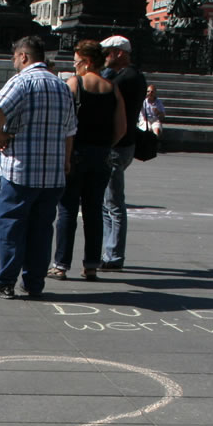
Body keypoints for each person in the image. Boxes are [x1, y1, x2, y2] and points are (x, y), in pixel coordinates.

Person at [0, 34, 75, 299]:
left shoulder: (21, 82)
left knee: (13, 227)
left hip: (19, 170)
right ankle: (35, 282)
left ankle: (5, 282)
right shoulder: (61, 86)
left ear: (24, 56)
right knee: (41, 230)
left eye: (15, 57)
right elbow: (70, 130)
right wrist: (66, 161)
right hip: (52, 174)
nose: (14, 62)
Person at [48, 39, 124, 283]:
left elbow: (63, 122)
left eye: (77, 61)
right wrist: (105, 144)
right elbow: (122, 127)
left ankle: (61, 265)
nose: (75, 65)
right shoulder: (112, 88)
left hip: (75, 153)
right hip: (101, 156)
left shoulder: (74, 84)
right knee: (93, 211)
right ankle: (91, 265)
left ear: (88, 62)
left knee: (68, 210)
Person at [100, 34, 145, 271]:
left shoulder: (127, 78)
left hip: (118, 144)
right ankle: (110, 250)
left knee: (114, 202)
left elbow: (104, 93)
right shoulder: (127, 75)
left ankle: (115, 254)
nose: (103, 57)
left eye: (107, 53)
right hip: (121, 143)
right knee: (107, 202)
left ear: (119, 53)